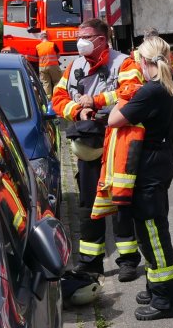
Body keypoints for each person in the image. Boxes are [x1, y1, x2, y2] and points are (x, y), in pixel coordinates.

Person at [51, 18, 143, 281]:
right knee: (88, 205)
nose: (81, 40)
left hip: (117, 142)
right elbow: (58, 98)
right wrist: (79, 110)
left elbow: (131, 92)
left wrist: (98, 100)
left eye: (87, 36)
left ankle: (128, 259)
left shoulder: (123, 62)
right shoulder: (74, 65)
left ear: (102, 40)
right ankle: (91, 262)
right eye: (80, 35)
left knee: (121, 201)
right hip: (89, 143)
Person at [108, 35, 173, 320]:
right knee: (149, 230)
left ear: (142, 61)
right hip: (162, 156)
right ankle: (156, 288)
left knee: (152, 233)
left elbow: (113, 120)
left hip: (149, 165)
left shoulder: (149, 91)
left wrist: (124, 93)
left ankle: (167, 301)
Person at [35, 30, 62, 99]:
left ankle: (48, 100)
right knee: (57, 82)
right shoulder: (52, 44)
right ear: (47, 37)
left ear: (41, 38)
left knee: (46, 84)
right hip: (53, 66)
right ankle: (56, 98)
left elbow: (37, 57)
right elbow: (58, 56)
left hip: (42, 67)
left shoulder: (38, 47)